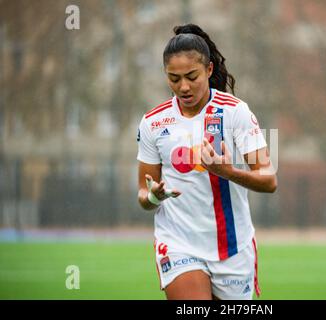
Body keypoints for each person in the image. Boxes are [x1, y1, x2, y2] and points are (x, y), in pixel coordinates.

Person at [136, 23, 277, 300]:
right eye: (174, 79)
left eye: (191, 76)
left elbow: (269, 180)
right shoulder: (153, 122)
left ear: (209, 70)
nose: (184, 87)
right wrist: (153, 197)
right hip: (178, 243)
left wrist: (227, 172)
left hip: (232, 248)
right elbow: (143, 193)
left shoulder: (236, 112)